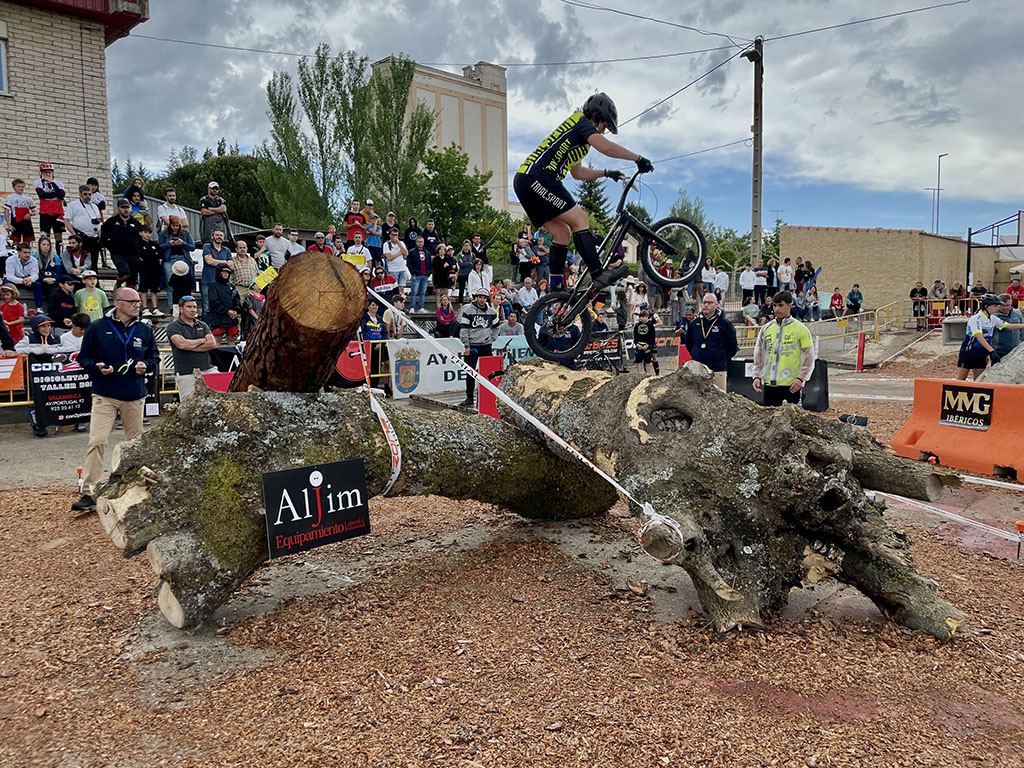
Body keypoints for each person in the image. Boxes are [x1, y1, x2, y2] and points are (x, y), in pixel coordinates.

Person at [513, 92, 650, 291]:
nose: (603, 132)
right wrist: (638, 158)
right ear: (597, 116)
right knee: (580, 219)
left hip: (527, 182)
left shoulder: (577, 141)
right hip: (538, 177)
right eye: (604, 126)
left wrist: (605, 173)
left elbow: (577, 173)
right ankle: (598, 273)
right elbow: (607, 148)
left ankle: (556, 288)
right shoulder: (581, 122)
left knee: (563, 233)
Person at [72, 287, 159, 513]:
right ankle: (89, 492)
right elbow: (84, 358)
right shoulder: (97, 328)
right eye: (132, 302)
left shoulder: (144, 329)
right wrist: (97, 367)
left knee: (134, 444)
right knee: (97, 440)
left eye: (138, 302)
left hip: (134, 395)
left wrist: (145, 365)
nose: (137, 305)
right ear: (117, 303)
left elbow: (154, 356)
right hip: (104, 394)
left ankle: (135, 488)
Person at [752, 291, 815, 407]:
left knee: (791, 422)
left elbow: (809, 356)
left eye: (781, 305)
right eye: (774, 305)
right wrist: (756, 375)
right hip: (769, 384)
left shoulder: (800, 329)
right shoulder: (766, 328)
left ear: (790, 305)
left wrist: (801, 379)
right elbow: (759, 353)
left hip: (791, 385)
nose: (776, 309)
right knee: (770, 420)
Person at [955, 294, 1024, 380]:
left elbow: (1009, 326)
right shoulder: (976, 319)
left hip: (982, 353)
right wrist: (992, 351)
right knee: (961, 379)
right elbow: (979, 337)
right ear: (986, 306)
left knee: (978, 380)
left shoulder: (993, 318)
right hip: (968, 353)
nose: (997, 308)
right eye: (995, 306)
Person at [15, 314, 62, 436]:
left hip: (51, 376)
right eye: (43, 326)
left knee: (51, 399)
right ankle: (37, 425)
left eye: (49, 325)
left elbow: (68, 349)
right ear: (36, 328)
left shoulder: (57, 338)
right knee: (32, 400)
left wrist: (49, 351)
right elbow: (17, 349)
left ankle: (50, 422)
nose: (47, 329)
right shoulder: (29, 339)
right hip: (31, 377)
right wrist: (36, 351)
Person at [166, 295, 217, 401]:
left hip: (207, 368)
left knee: (219, 399)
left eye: (194, 307)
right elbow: (181, 344)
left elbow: (212, 344)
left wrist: (190, 346)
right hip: (186, 372)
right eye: (189, 307)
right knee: (188, 404)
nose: (193, 310)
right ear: (181, 309)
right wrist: (201, 340)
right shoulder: (173, 326)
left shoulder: (203, 325)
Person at [685, 293, 738, 391]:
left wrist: (720, 356)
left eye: (709, 303)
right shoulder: (694, 324)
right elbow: (689, 344)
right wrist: (696, 353)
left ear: (716, 305)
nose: (706, 305)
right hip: (698, 369)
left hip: (718, 369)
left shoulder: (725, 324)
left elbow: (732, 347)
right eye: (704, 302)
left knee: (719, 400)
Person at [457, 288, 500, 408]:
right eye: (480, 297)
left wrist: (493, 338)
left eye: (484, 298)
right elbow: (464, 329)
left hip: (486, 346)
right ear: (477, 297)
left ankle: (489, 396)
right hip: (472, 346)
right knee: (470, 372)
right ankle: (469, 398)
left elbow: (497, 326)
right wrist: (466, 345)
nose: (482, 300)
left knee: (489, 373)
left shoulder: (491, 312)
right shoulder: (468, 310)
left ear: (487, 299)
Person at [100, 198, 143, 289]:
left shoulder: (135, 223)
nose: (126, 210)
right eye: (123, 207)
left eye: (127, 207)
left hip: (133, 254)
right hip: (118, 254)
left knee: (133, 280)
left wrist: (139, 251)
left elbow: (141, 238)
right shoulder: (111, 222)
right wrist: (111, 247)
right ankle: (118, 285)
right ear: (118, 208)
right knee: (125, 273)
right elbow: (103, 237)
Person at [159, 216, 195, 313]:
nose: (175, 227)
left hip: (183, 259)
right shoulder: (164, 234)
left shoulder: (186, 234)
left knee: (186, 284)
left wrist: (182, 243)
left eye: (177, 225)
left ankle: (185, 306)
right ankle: (172, 307)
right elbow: (159, 246)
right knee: (170, 283)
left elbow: (192, 247)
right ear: (170, 225)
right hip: (169, 259)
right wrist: (169, 244)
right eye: (173, 225)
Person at [63, 184, 103, 266]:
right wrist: (74, 234)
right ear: (80, 194)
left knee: (94, 262)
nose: (87, 196)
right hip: (82, 237)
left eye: (89, 194)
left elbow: (99, 221)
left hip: (94, 238)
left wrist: (100, 234)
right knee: (82, 262)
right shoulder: (73, 205)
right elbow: (66, 220)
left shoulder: (94, 206)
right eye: (85, 194)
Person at [34, 162, 67, 253]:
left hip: (58, 212)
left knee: (58, 236)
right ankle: (45, 256)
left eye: (49, 172)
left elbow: (61, 195)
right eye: (45, 172)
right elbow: (42, 195)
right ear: (41, 173)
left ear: (53, 173)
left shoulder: (59, 183)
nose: (47, 174)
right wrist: (55, 193)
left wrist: (52, 183)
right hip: (45, 212)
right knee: (45, 236)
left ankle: (60, 256)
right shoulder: (38, 182)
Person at [200, 230, 232, 319]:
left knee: (221, 306)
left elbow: (232, 265)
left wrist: (215, 260)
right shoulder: (207, 247)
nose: (219, 237)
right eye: (217, 235)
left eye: (221, 235)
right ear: (212, 236)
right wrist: (225, 262)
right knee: (206, 307)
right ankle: (206, 329)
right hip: (208, 281)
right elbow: (209, 261)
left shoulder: (227, 250)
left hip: (222, 284)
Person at [208, 265, 241, 345]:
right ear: (219, 273)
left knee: (231, 339)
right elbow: (214, 302)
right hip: (219, 318)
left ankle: (233, 357)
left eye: (227, 272)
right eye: (223, 272)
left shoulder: (231, 286)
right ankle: (216, 357)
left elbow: (236, 298)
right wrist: (226, 311)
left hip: (231, 318)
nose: (226, 274)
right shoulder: (213, 286)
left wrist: (236, 310)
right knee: (217, 339)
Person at [137, 226, 164, 317]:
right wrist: (149, 256)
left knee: (154, 290)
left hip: (155, 270)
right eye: (145, 232)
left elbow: (160, 255)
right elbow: (142, 256)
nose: (147, 235)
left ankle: (155, 308)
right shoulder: (138, 244)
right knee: (144, 289)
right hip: (144, 270)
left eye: (149, 233)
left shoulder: (154, 245)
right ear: (141, 233)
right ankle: (145, 308)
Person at [361, 298, 388, 388]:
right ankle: (368, 386)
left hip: (380, 347)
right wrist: (371, 344)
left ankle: (375, 386)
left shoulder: (379, 319)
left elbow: (385, 332)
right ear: (368, 307)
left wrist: (381, 343)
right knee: (369, 367)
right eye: (372, 305)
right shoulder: (364, 318)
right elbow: (363, 332)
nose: (375, 307)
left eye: (376, 305)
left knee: (377, 367)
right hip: (369, 347)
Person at [5, 243, 40, 307]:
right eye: (25, 252)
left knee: (37, 284)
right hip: (15, 280)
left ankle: (38, 307)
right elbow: (9, 276)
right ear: (19, 252)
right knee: (7, 284)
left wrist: (30, 279)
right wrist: (22, 281)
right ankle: (8, 306)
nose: (27, 255)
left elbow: (35, 275)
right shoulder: (10, 260)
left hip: (28, 280)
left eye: (29, 253)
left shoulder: (34, 260)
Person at [4, 178, 36, 247]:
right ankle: (15, 254)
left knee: (27, 241)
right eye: (19, 186)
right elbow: (6, 211)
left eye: (22, 186)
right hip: (16, 221)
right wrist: (8, 224)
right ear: (14, 187)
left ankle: (27, 254)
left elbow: (34, 211)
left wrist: (30, 214)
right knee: (15, 241)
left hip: (27, 221)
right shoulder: (10, 197)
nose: (21, 188)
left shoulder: (28, 199)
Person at [992, 293, 1022, 358]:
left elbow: (1022, 331)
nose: (1005, 308)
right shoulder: (994, 316)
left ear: (1011, 303)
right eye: (1003, 305)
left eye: (1008, 305)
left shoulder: (1017, 313)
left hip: (1015, 351)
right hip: (999, 351)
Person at [406, 236, 431, 313]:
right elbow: (409, 263)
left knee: (423, 292)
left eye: (421, 242)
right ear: (416, 242)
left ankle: (421, 307)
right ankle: (412, 307)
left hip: (425, 275)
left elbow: (430, 263)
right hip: (416, 274)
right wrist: (413, 271)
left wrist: (428, 272)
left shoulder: (427, 252)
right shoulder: (412, 252)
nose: (420, 243)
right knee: (414, 291)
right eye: (419, 242)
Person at [633, 306, 657, 375]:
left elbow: (652, 336)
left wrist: (648, 345)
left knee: (647, 361)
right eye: (642, 317)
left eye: (645, 317)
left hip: (647, 345)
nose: (644, 318)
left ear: (648, 317)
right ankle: (639, 373)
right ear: (640, 317)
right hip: (639, 345)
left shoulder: (650, 325)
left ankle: (648, 373)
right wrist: (637, 344)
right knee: (639, 361)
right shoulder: (637, 325)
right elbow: (635, 336)